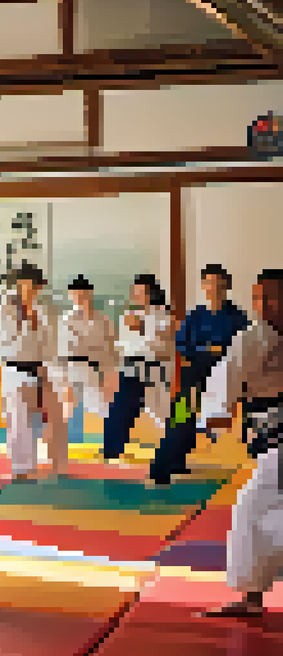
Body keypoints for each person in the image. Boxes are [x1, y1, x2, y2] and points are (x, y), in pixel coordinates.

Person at [195, 270, 283, 618]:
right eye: (258, 298)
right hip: (271, 429)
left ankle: (251, 598)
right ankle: (251, 597)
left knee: (253, 505)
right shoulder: (252, 339)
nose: (264, 306)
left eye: (272, 297)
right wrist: (216, 415)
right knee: (254, 506)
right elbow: (226, 377)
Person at [151, 264, 249, 484]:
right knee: (182, 416)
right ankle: (166, 465)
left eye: (219, 284)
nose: (213, 288)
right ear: (204, 286)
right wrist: (205, 350)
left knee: (208, 419)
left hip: (224, 375)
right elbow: (182, 344)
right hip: (195, 371)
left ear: (227, 286)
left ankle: (180, 458)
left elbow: (245, 346)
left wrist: (220, 350)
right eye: (209, 283)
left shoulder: (238, 318)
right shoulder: (195, 315)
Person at [0, 264, 66, 480]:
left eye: (37, 287)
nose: (34, 291)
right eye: (31, 285)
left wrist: (48, 368)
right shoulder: (3, 310)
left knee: (39, 420)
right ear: (20, 284)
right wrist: (24, 324)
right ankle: (20, 467)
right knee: (18, 420)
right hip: (15, 369)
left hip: (38, 369)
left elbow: (47, 343)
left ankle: (41, 462)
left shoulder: (38, 309)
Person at [102, 274, 176, 464]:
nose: (137, 296)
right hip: (131, 365)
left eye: (141, 292)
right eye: (135, 292)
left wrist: (142, 328)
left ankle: (175, 453)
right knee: (120, 409)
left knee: (167, 412)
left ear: (151, 293)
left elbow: (163, 344)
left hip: (157, 367)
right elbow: (124, 344)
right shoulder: (128, 315)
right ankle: (112, 452)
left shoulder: (164, 314)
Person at [53, 276, 118, 444]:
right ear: (70, 296)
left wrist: (108, 373)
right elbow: (63, 349)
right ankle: (65, 443)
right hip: (71, 365)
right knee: (68, 408)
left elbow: (109, 348)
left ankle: (108, 443)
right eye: (76, 295)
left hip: (94, 367)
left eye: (83, 295)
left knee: (102, 406)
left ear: (90, 294)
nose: (80, 299)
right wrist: (62, 378)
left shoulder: (102, 319)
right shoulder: (66, 319)